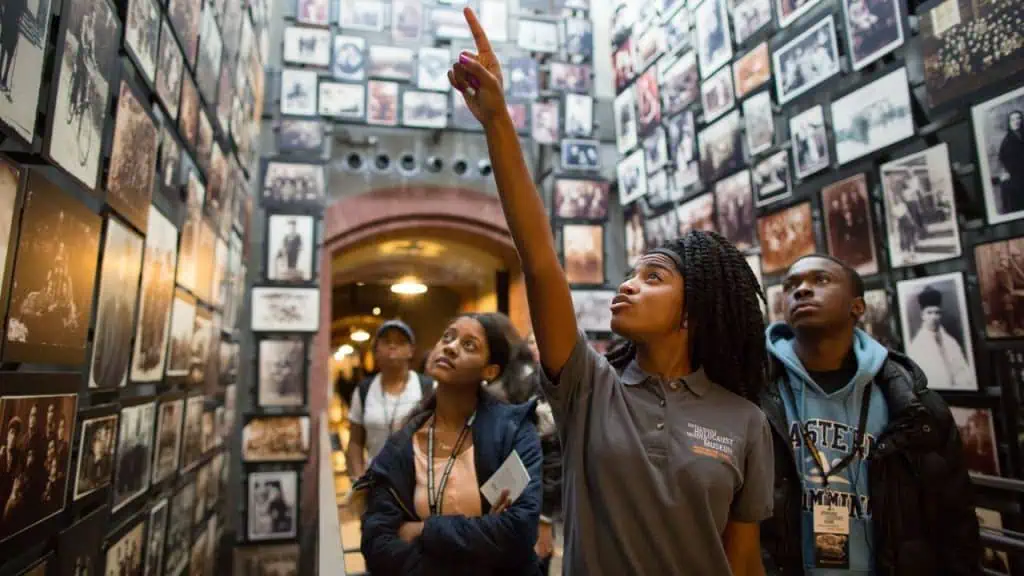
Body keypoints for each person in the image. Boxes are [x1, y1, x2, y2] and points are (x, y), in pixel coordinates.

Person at [446, 9, 773, 574]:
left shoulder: (746, 421)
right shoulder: (589, 389)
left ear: (694, 310)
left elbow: (742, 559)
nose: (627, 285)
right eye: (632, 273)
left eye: (653, 278)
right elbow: (542, 261)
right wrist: (498, 120)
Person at [761, 254, 981, 575]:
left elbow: (954, 516)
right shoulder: (757, 394)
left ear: (857, 307)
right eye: (791, 285)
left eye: (820, 280)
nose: (802, 290)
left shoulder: (912, 403)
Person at [357, 313, 543, 575]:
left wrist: (423, 529)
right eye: (448, 337)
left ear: (490, 371)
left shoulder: (513, 432)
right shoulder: (402, 444)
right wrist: (482, 532)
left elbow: (519, 531)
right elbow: (377, 544)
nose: (450, 347)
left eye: (469, 345)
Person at [346, 320, 434, 481]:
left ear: (411, 351)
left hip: (419, 482)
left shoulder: (427, 388)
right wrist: (358, 480)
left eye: (401, 342)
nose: (393, 346)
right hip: (375, 482)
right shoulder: (364, 390)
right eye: (386, 341)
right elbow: (355, 442)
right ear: (376, 351)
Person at [906, 286, 974, 389]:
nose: (933, 317)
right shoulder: (916, 346)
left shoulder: (951, 342)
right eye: (929, 313)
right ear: (922, 315)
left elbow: (962, 371)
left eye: (937, 312)